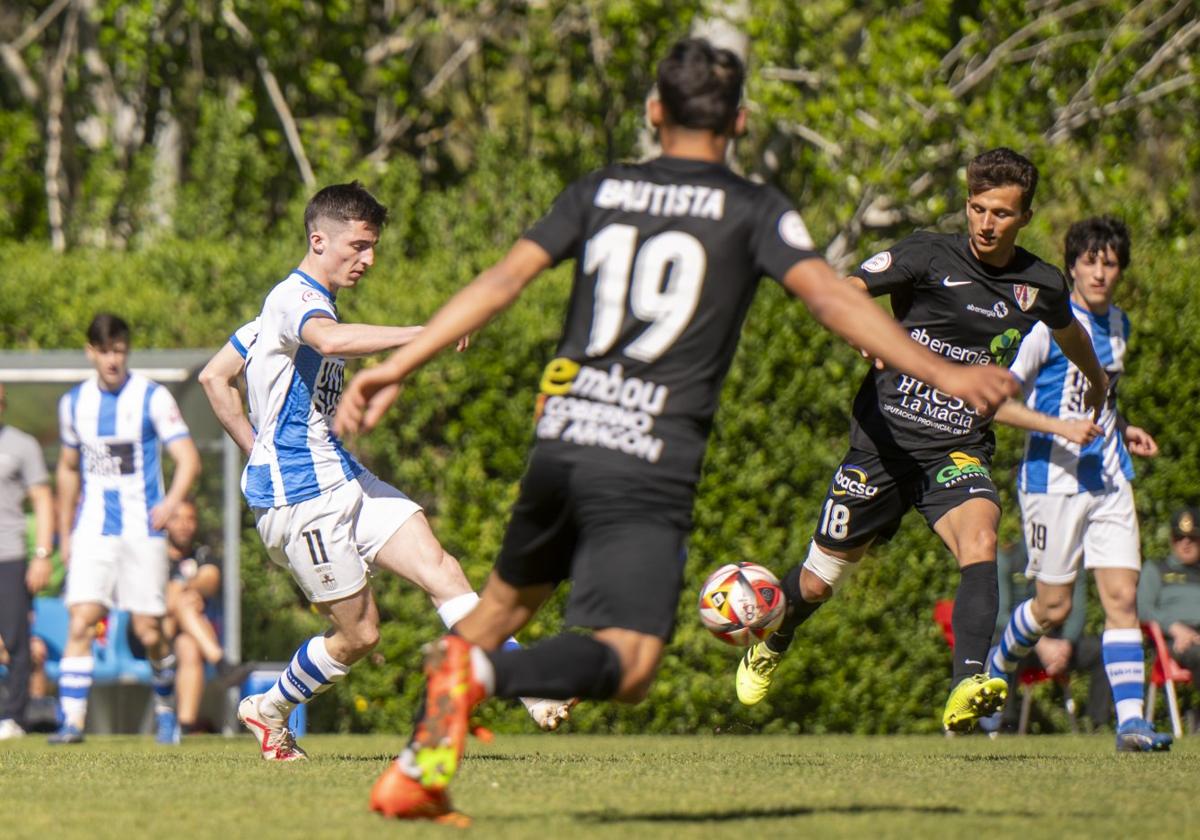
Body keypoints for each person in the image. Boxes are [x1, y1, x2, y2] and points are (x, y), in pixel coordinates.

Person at [333, 38, 1018, 820]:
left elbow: (503, 279)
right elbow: (832, 298)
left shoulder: (601, 188)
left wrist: (400, 363)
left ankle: (417, 770)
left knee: (495, 614)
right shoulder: (753, 208)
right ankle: (479, 683)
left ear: (654, 113)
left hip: (564, 432)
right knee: (628, 664)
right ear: (742, 121)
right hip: (645, 455)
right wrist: (949, 373)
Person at [732, 148, 1108, 736]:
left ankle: (966, 683)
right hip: (881, 447)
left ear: (1025, 216)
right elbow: (846, 287)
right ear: (968, 204)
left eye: (1002, 214)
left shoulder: (1039, 283)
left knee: (981, 538)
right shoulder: (928, 253)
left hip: (956, 449)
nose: (987, 224)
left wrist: (1098, 376)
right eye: (979, 209)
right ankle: (774, 640)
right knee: (814, 583)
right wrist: (864, 330)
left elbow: (1071, 332)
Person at [199, 183, 567, 762]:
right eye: (359, 246)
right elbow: (329, 339)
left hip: (339, 477)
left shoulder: (286, 307)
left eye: (373, 246)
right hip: (302, 499)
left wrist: (257, 451)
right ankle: (267, 708)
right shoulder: (294, 300)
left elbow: (214, 376)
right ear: (319, 240)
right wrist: (428, 333)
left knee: (442, 569)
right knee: (361, 635)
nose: (368, 259)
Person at [986, 216, 1171, 751]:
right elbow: (997, 403)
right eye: (1090, 261)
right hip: (1052, 482)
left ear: (1120, 271)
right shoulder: (1046, 327)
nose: (1099, 272)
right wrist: (1060, 426)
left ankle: (1131, 723)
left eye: (1109, 263)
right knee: (1053, 608)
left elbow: (1102, 394)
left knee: (1122, 598)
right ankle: (999, 666)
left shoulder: (1121, 326)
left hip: (1109, 477)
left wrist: (1124, 426)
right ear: (1071, 267)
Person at [51, 314, 202, 745]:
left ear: (127, 351)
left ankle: (165, 705)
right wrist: (65, 534)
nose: (112, 359)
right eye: (104, 350)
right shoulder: (74, 404)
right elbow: (66, 470)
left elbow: (188, 458)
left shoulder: (152, 397)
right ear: (90, 352)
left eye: (119, 350)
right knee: (81, 619)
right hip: (93, 530)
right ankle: (72, 722)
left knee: (149, 631)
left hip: (142, 531)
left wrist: (170, 503)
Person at [984, 539, 1110, 733]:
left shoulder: (1070, 560)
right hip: (1023, 638)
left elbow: (1077, 610)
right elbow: (1000, 614)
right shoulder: (1007, 558)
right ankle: (1006, 724)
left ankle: (1098, 725)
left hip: (1058, 641)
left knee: (1102, 651)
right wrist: (1039, 643)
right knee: (1006, 648)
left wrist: (1066, 643)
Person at [0, 383, 55, 739]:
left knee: (17, 641)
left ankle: (14, 719)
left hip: (11, 554)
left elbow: (43, 500)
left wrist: (42, 555)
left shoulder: (22, 445)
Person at [162, 499, 224, 733]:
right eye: (177, 518)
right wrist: (185, 593)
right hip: (155, 634)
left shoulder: (202, 554)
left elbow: (211, 578)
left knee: (189, 647)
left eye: (190, 519)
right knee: (181, 599)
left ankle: (185, 727)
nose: (184, 525)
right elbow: (166, 603)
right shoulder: (154, 554)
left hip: (186, 636)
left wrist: (188, 588)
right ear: (165, 522)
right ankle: (220, 660)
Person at [1138, 507, 1200, 688]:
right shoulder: (1157, 569)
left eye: (1192, 538)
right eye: (1180, 538)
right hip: (1173, 641)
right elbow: (1143, 609)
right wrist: (1174, 627)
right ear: (1172, 541)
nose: (1185, 543)